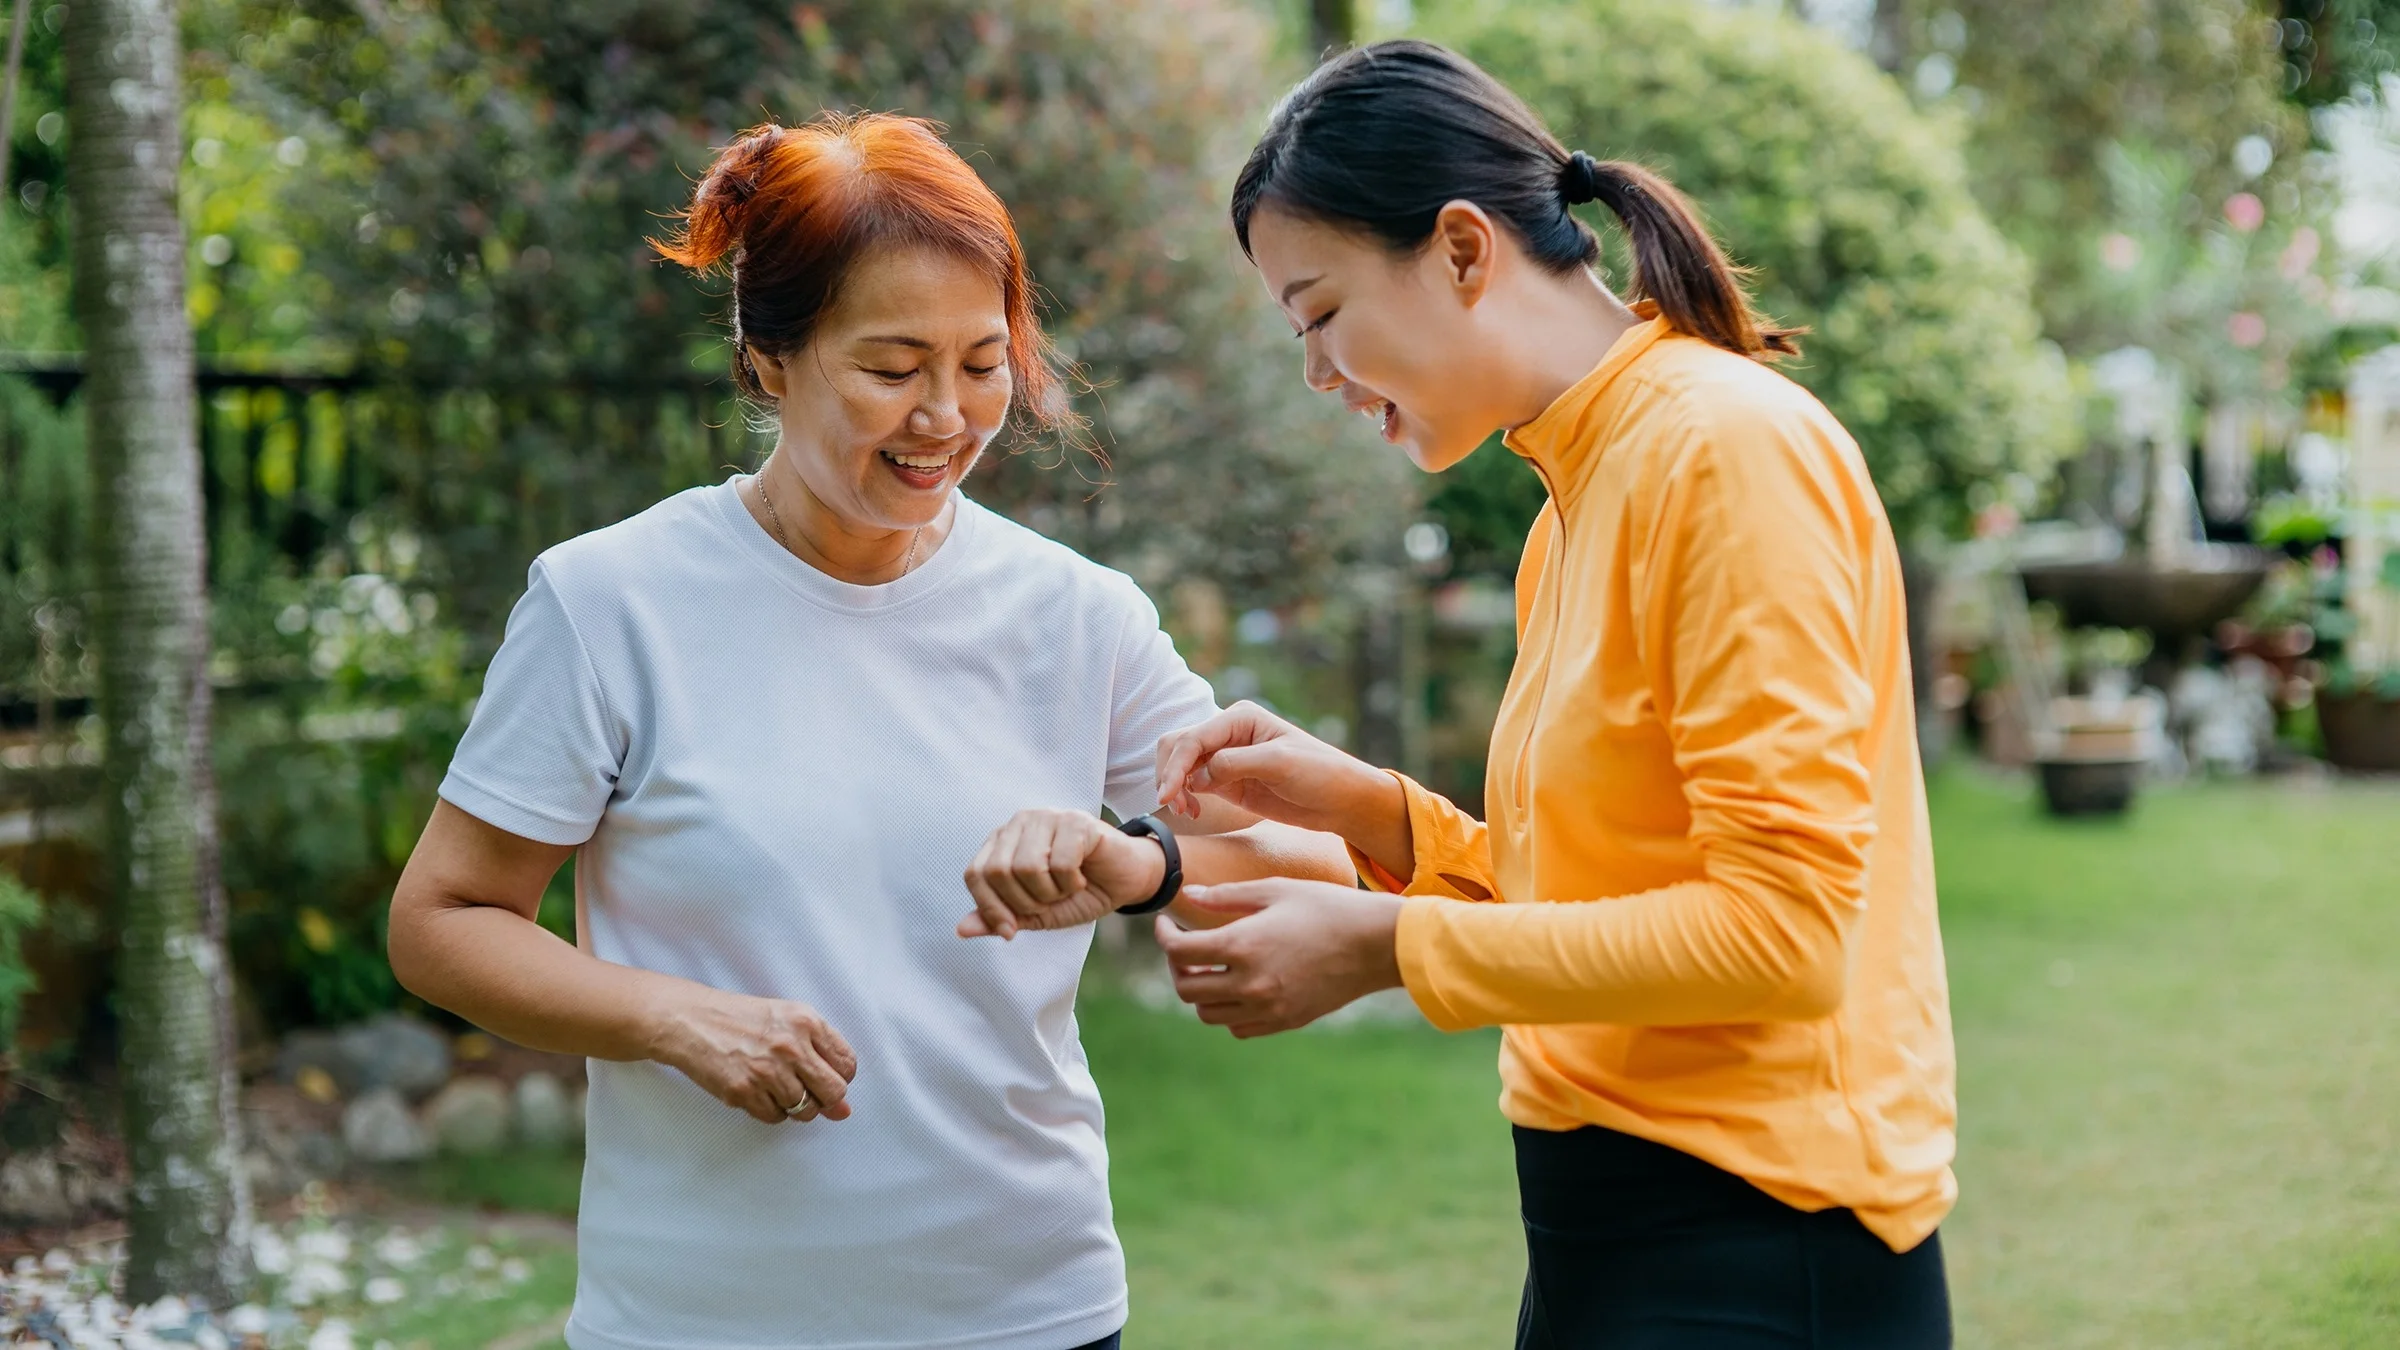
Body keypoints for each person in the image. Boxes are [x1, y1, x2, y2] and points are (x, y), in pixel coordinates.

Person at [386, 112, 1350, 1350]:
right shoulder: (609, 604)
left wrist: (1140, 865)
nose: (946, 416)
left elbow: (1318, 859)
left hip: (1029, 1308)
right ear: (769, 357)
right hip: (702, 1320)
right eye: (892, 369)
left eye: (983, 363)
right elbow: (444, 922)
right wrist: (672, 1019)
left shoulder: (1077, 616)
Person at [1071, 38, 1953, 1349]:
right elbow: (1604, 909)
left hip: (1764, 1244)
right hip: (1613, 1233)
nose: (1317, 371)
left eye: (1319, 312)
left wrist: (1383, 947)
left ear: (1465, 251)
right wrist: (1381, 814)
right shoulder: (1577, 498)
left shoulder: (1721, 451)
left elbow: (1785, 936)